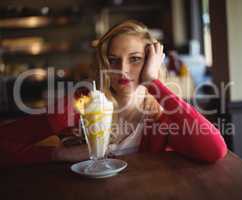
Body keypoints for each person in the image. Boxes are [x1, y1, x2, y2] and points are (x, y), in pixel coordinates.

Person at [0, 20, 227, 167]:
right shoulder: (81, 104)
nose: (123, 70)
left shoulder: (162, 115)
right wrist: (58, 155)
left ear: (151, 62)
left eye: (135, 59)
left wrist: (153, 83)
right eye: (114, 60)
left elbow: (214, 150)